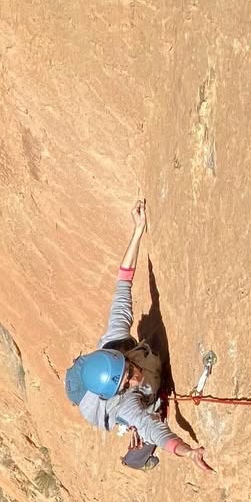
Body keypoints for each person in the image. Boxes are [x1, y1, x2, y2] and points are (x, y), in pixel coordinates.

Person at [65, 199, 213, 474]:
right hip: (109, 407)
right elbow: (154, 429)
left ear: (121, 357)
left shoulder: (116, 339)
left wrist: (138, 230)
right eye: (127, 383)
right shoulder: (126, 401)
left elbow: (123, 284)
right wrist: (187, 451)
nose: (135, 379)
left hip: (101, 380)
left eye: (130, 370)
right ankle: (136, 460)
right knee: (142, 427)